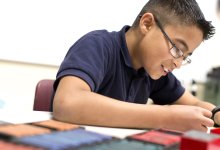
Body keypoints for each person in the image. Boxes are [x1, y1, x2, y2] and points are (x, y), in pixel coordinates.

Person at [52, 0, 219, 132]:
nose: (178, 63)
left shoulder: (154, 70)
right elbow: (67, 103)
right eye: (177, 49)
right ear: (146, 24)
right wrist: (165, 116)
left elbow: (194, 104)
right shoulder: (98, 45)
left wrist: (216, 113)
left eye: (185, 56)